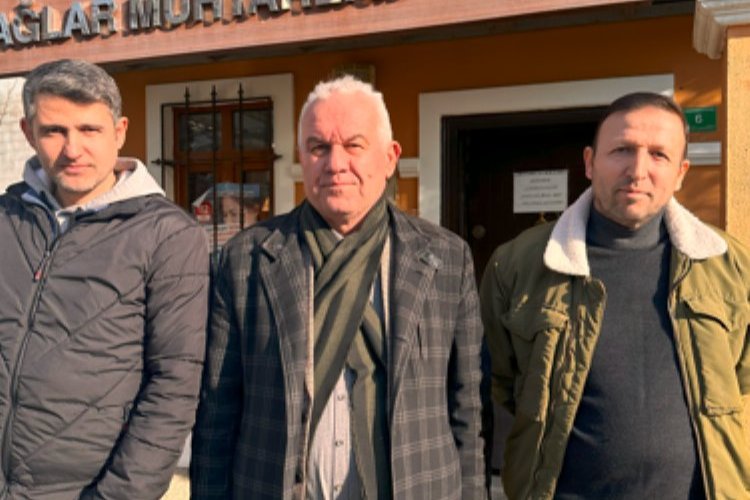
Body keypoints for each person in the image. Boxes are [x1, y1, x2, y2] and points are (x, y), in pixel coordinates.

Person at [191, 75, 487, 499]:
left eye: (353, 145)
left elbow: (468, 413)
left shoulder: (446, 260)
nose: (335, 164)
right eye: (318, 148)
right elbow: (217, 413)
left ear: (390, 157)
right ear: (302, 159)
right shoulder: (246, 261)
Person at [480, 92, 750, 499]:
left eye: (659, 155)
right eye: (622, 150)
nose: (638, 170)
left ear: (681, 172)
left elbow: (740, 381)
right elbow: (500, 385)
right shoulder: (517, 265)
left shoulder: (730, 266)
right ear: (590, 162)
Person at [0, 59, 209, 498]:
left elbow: (173, 387)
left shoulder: (168, 236)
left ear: (119, 131)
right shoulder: (6, 219)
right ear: (28, 133)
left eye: (89, 129)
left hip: (81, 490)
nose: (72, 149)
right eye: (54, 131)